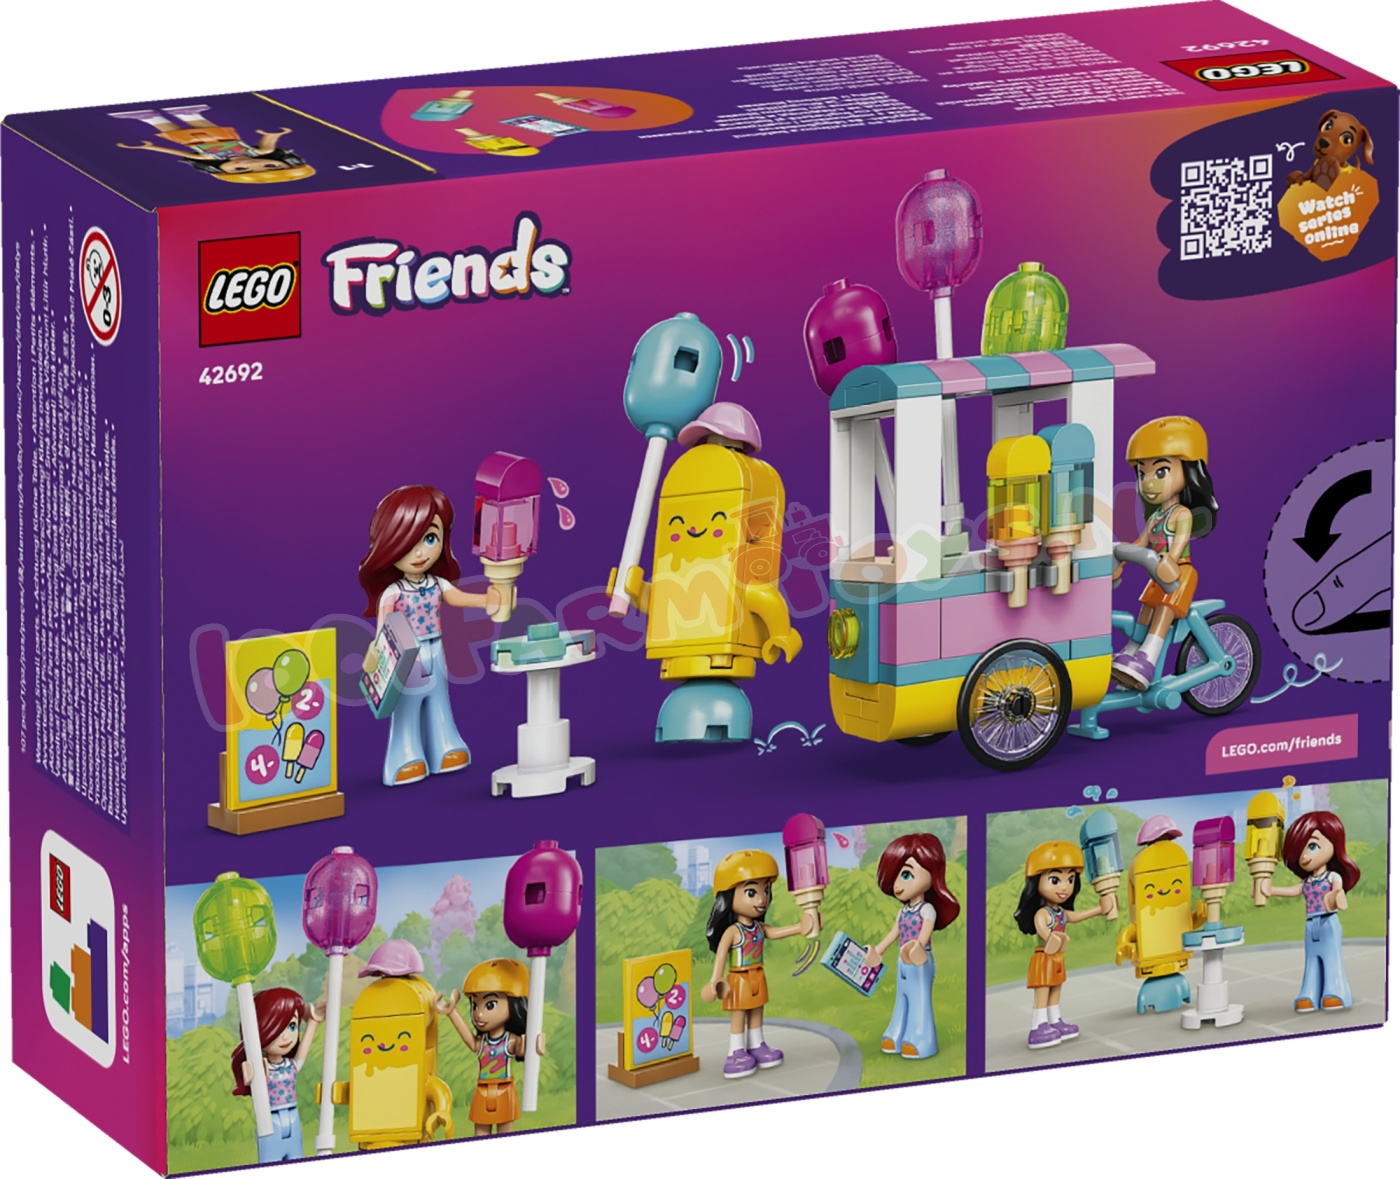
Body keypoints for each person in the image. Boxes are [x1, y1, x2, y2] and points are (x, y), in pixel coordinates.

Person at [358, 486, 507, 785]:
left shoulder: (436, 584)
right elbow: (383, 630)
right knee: (407, 706)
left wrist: (488, 600)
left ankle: (445, 746)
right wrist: (375, 655)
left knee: (439, 698)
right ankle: (405, 756)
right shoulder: (393, 592)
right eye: (406, 543)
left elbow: (458, 598)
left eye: (429, 539)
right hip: (405, 656)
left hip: (436, 650)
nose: (419, 553)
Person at [1110, 416, 1217, 691]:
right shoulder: (1155, 517)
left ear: (1189, 471)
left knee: (1164, 611)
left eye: (1160, 472)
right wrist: (1120, 557)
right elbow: (1140, 542)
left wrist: (1169, 559)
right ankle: (1132, 649)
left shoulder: (1181, 514)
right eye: (1142, 474)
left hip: (1179, 571)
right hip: (1157, 572)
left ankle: (1148, 657)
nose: (1148, 483)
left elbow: (1179, 544)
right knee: (1146, 607)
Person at [702, 849, 814, 1079]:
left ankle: (756, 1044)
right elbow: (721, 955)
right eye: (751, 892)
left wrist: (800, 927)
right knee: (739, 1014)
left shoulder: (758, 927)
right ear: (728, 896)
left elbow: (774, 932)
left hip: (757, 975)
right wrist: (715, 979)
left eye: (766, 890)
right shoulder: (733, 931)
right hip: (738, 978)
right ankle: (735, 1051)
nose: (762, 899)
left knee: (756, 1011)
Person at [864, 833, 960, 1059]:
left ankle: (920, 1040)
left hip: (919, 960)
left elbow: (925, 934)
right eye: (896, 876)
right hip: (902, 960)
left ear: (931, 872)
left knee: (920, 998)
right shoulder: (903, 911)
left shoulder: (927, 910)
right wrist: (878, 950)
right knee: (903, 997)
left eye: (906, 874)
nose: (898, 885)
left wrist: (918, 947)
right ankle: (896, 1033)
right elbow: (893, 933)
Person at [1015, 842, 1110, 1049]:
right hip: (1044, 956)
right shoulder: (1042, 914)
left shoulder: (1060, 912)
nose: (1064, 887)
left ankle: (1055, 1019)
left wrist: (1099, 910)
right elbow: (1043, 931)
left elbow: (1075, 916)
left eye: (1070, 879)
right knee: (1043, 989)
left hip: (1058, 957)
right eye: (1055, 880)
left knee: (1056, 988)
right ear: (1036, 881)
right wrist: (1052, 938)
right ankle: (1038, 1025)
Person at [1263, 810, 1361, 1012]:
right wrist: (1270, 890)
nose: (1305, 856)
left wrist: (1336, 896)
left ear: (1333, 843)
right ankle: (1309, 992)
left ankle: (1335, 990)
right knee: (1312, 960)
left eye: (1312, 846)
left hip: (1328, 922)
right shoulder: (1308, 881)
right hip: (1310, 925)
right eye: (1300, 851)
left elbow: (1338, 890)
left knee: (1331, 957)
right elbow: (1293, 891)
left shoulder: (1332, 876)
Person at [435, 959, 542, 1135]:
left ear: (513, 1003)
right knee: (480, 1133)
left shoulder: (510, 1041)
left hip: (505, 1090)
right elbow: (469, 1039)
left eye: (489, 1005)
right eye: (474, 1005)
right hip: (482, 1091)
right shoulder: (482, 1043)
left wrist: (534, 1043)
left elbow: (524, 1048)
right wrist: (451, 1011)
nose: (479, 1014)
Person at [230, 987, 324, 1162]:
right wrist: (253, 1070)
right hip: (269, 1121)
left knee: (296, 1158)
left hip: (293, 1117)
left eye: (292, 1026)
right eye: (277, 1028)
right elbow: (250, 1077)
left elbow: (303, 1051)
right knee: (271, 1161)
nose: (286, 1037)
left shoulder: (289, 1065)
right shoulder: (259, 1067)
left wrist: (313, 1022)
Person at [109, 105, 315, 183]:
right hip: (224, 137)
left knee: (175, 133)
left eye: (240, 170)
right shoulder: (255, 152)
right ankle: (189, 114)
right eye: (270, 165)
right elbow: (268, 147)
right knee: (206, 127)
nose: (251, 164)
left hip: (192, 141)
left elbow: (175, 152)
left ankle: (149, 118)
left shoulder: (209, 156)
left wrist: (150, 147)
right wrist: (271, 135)